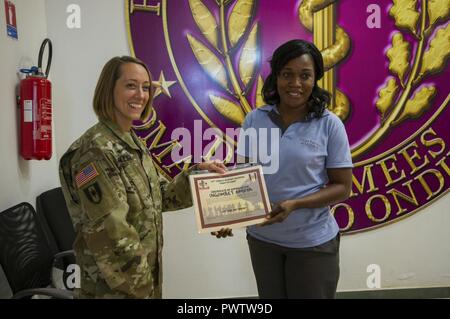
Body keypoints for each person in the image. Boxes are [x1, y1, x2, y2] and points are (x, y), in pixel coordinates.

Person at [59, 56, 225, 299]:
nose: (140, 94)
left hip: (140, 281)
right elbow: (111, 230)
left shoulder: (131, 142)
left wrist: (198, 176)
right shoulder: (95, 151)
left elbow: (160, 196)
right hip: (115, 289)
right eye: (130, 85)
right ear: (109, 89)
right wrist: (143, 287)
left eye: (146, 87)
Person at [214, 39, 353, 298]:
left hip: (312, 243)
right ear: (276, 76)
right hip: (262, 240)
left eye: (305, 76)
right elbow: (243, 177)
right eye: (287, 74)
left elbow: (342, 188)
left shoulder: (329, 124)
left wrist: (296, 204)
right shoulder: (255, 119)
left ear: (315, 79)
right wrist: (226, 216)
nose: (296, 84)